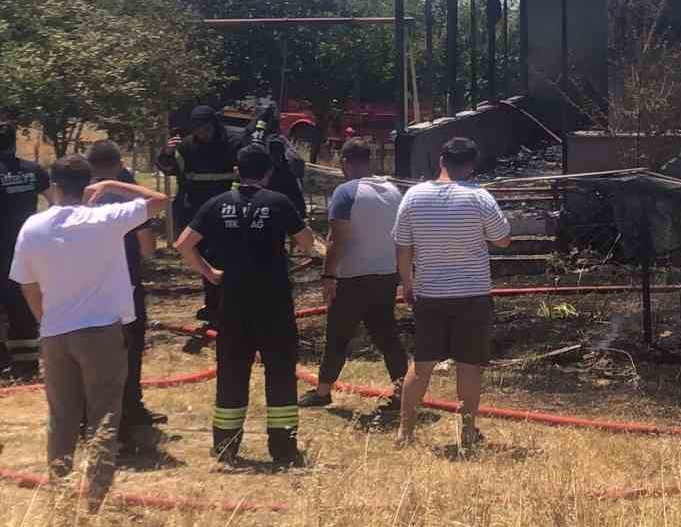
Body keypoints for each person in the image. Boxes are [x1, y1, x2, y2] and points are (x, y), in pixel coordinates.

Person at [10, 157, 168, 511]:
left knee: (62, 416)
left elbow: (27, 284)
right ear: (86, 186)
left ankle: (60, 491)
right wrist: (111, 185)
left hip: (55, 332)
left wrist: (45, 320)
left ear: (53, 185)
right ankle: (96, 496)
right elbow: (159, 200)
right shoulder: (104, 218)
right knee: (104, 413)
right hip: (100, 331)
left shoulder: (32, 227)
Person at [176, 144, 315, 467]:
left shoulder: (217, 204)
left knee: (232, 371)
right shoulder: (278, 203)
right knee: (280, 371)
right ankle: (283, 448)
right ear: (268, 172)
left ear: (237, 171)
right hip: (274, 301)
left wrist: (210, 273)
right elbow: (308, 243)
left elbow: (183, 244)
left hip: (233, 301)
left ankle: (226, 445)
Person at [392, 137, 510, 449]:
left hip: (429, 293)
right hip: (472, 294)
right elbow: (503, 240)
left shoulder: (413, 197)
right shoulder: (480, 198)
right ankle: (468, 432)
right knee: (469, 366)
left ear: (441, 160)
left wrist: (407, 284)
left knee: (422, 364)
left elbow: (403, 248)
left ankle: (405, 431)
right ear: (471, 165)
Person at [297, 138, 407, 412]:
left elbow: (338, 241)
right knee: (387, 336)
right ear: (368, 161)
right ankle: (403, 391)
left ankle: (322, 391)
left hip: (353, 277)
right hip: (386, 274)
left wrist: (328, 276)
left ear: (344, 162)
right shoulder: (393, 191)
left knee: (338, 336)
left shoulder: (345, 193)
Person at [86, 140, 167, 439]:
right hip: (126, 280)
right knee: (129, 348)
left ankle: (91, 412)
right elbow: (146, 245)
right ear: (119, 164)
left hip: (88, 283)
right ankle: (130, 407)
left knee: (92, 350)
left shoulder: (79, 194)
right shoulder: (125, 194)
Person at [0, 120, 49, 381]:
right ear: (15, 142)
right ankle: (26, 367)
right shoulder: (34, 170)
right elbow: (57, 200)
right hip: (29, 246)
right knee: (22, 305)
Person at [157, 106, 242, 326]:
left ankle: (229, 306)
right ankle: (213, 306)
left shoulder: (232, 143)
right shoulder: (185, 146)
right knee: (205, 259)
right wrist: (166, 153)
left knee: (227, 258)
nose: (202, 133)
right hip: (196, 210)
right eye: (197, 129)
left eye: (205, 128)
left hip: (229, 209)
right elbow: (168, 168)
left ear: (214, 125)